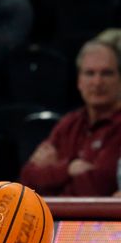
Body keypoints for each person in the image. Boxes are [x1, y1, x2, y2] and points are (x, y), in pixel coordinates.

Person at [20, 40, 121, 196]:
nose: (97, 82)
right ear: (79, 81)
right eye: (90, 73)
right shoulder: (69, 123)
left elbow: (98, 188)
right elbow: (27, 178)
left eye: (106, 73)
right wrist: (68, 169)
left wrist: (52, 175)